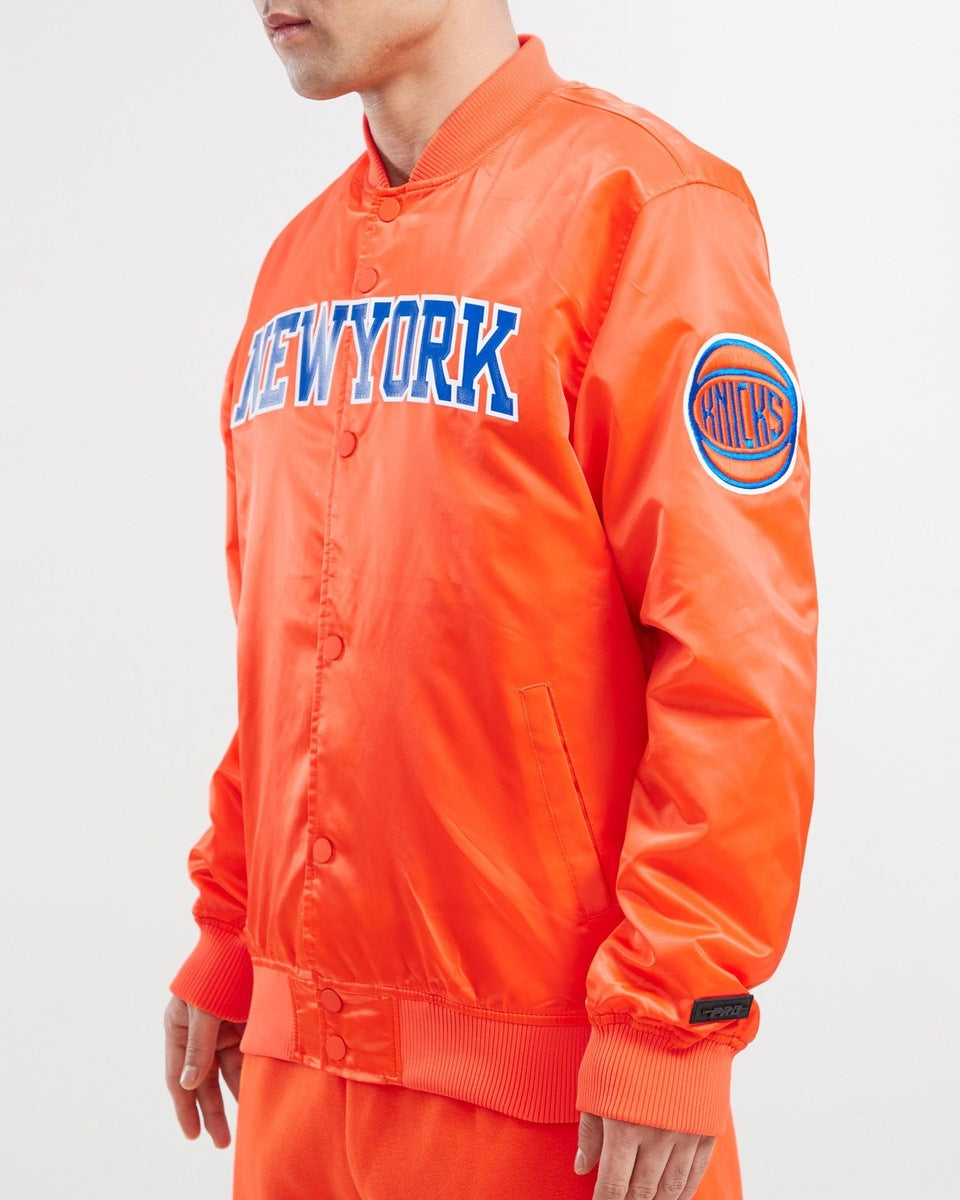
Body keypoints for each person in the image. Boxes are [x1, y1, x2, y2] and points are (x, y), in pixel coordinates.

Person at [163, 3, 818, 1199]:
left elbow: (737, 655)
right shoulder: (295, 266)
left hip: (561, 1097)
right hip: (297, 1076)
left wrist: (674, 1011)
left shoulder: (646, 208)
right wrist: (230, 928)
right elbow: (285, 656)